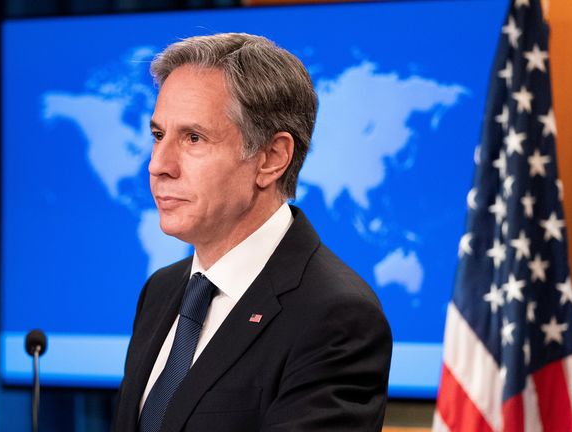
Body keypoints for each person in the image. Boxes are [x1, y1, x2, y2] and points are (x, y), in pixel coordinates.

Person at [113, 33, 392, 432]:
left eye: (193, 138)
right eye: (159, 135)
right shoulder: (161, 290)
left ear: (272, 158)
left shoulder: (336, 316)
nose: (158, 164)